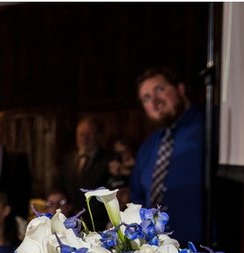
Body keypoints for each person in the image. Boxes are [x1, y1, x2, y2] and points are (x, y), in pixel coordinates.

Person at [128, 67, 204, 243]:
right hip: (157, 252)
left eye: (160, 90)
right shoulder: (148, 147)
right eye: (146, 98)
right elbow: (137, 196)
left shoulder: (211, 126)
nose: (154, 101)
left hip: (203, 251)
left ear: (180, 88)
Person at [59, 116, 112, 228]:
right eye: (81, 135)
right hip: (70, 221)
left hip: (97, 223)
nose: (84, 139)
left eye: (88, 135)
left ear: (97, 136)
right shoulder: (68, 159)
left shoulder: (108, 160)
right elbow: (61, 185)